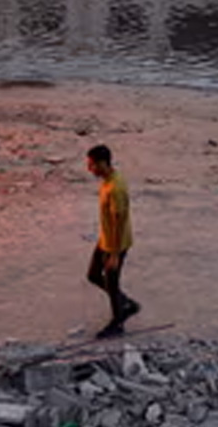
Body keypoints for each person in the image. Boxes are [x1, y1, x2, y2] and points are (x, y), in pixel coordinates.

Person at [85, 145, 140, 339]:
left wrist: (115, 255)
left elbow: (120, 220)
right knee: (93, 275)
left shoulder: (116, 187)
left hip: (117, 243)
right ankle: (127, 303)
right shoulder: (108, 181)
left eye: (91, 165)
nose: (89, 169)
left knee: (112, 282)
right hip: (106, 239)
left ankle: (118, 323)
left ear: (102, 163)